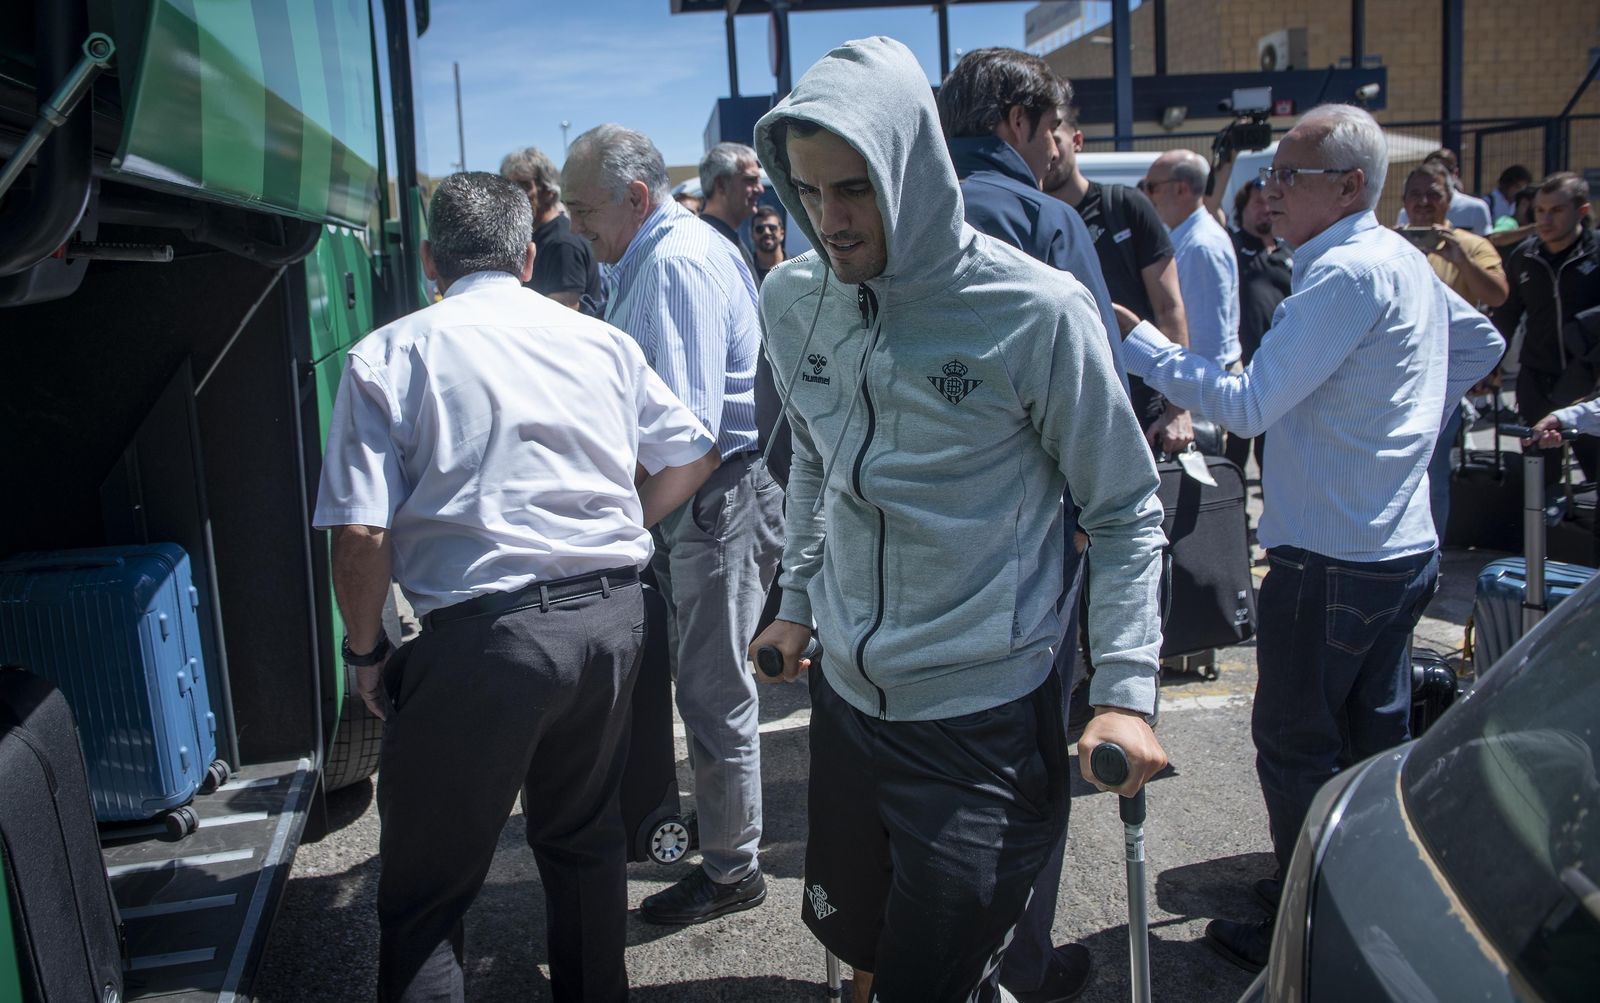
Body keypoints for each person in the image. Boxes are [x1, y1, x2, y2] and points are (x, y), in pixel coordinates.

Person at [749, 36, 1169, 1003]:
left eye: (854, 188)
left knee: (933, 979)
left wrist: (1125, 689)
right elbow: (815, 452)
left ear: (913, 166)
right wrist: (798, 598)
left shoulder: (1035, 310)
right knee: (862, 953)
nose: (831, 221)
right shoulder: (792, 295)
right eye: (808, 192)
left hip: (978, 717)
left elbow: (1123, 504)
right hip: (848, 705)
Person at [312, 172, 721, 1001]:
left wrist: (365, 651)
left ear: (430, 259)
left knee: (429, 888)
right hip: (612, 621)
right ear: (528, 255)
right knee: (583, 843)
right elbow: (694, 454)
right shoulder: (600, 340)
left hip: (485, 639)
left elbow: (360, 535)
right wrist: (623, 529)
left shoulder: (391, 351)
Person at [1112, 103, 1503, 971]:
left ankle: (1308, 922)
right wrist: (1398, 421)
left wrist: (1141, 345)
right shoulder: (1395, 255)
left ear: (1351, 185)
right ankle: (1356, 894)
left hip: (1331, 556)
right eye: (1272, 172)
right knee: (1371, 739)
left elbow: (1246, 405)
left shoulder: (1342, 275)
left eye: (1291, 174)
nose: (1269, 189)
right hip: (1395, 546)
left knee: (1296, 743)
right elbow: (1479, 341)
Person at [936, 45, 1140, 1003]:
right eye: (1056, 125)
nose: (1063, 145)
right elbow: (1100, 419)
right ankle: (1016, 969)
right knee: (1025, 781)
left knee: (921, 779)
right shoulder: (1048, 223)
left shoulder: (884, 217)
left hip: (897, 566)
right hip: (1025, 568)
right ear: (1017, 119)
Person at [561, 125, 785, 925]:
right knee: (708, 687)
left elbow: (686, 437)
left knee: (714, 691)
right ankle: (728, 833)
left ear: (635, 196)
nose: (576, 225)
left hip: (715, 502)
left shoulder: (675, 262)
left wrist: (614, 526)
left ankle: (732, 871)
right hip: (711, 499)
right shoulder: (669, 249)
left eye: (585, 209)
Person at [1045, 101, 1193, 451]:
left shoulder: (1125, 206)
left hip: (1138, 400)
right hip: (1067, 409)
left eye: (1057, 140)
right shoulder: (1033, 219)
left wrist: (1178, 408)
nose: (1050, 153)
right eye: (1042, 141)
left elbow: (1170, 308)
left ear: (1077, 141)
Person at [1400, 160, 1510, 538]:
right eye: (1415, 194)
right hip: (1393, 378)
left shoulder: (1471, 244)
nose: (1424, 202)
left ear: (1450, 200)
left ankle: (1432, 557)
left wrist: (1460, 259)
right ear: (1403, 200)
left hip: (1442, 383)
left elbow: (1497, 294)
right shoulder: (1389, 244)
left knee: (1432, 476)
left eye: (1434, 194)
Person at [1494, 172, 1600, 521]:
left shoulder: (1597, 254)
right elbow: (1507, 315)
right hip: (1537, 378)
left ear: (1581, 210)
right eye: (1539, 210)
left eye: (1556, 210)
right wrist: (1490, 365)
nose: (1545, 219)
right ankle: (1537, 556)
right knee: (1539, 476)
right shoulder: (1525, 257)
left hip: (1590, 384)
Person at [1142, 150, 1242, 372]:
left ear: (1181, 189)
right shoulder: (1191, 237)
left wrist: (1192, 396)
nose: (1147, 197)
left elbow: (1207, 340)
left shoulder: (1201, 246)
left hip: (1206, 378)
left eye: (1151, 187)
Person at [1224, 178, 1292, 476]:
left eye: (1270, 202)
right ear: (1242, 209)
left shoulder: (1289, 253)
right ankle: (1233, 518)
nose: (1266, 209)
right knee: (1234, 456)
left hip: (1281, 371)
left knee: (1274, 458)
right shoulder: (1232, 246)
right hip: (1243, 370)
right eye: (1258, 203)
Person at [499, 146, 604, 316]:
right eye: (508, 186)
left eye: (524, 186)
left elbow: (562, 316)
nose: (513, 195)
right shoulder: (533, 237)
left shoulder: (562, 244)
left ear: (548, 191)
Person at [699, 141, 765, 274]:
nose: (760, 189)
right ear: (721, 184)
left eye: (759, 181)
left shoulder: (725, 238)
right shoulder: (704, 244)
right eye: (750, 180)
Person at [1395, 148, 1493, 234]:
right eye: (1430, 170)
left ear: (1456, 173)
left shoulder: (1475, 208)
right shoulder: (1408, 212)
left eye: (1444, 170)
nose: (1423, 202)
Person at [751, 204, 787, 284]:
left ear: (782, 234)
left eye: (772, 228)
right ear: (752, 235)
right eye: (760, 229)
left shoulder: (796, 267)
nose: (766, 232)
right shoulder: (745, 269)